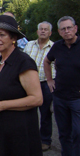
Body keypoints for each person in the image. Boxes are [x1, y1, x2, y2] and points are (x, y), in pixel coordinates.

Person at [0, 15, 43, 156]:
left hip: (18, 135)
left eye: (2, 35)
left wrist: (2, 105)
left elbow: (37, 99)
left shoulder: (23, 62)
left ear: (13, 38)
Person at [44, 16, 80, 156]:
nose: (67, 31)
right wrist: (49, 80)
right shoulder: (57, 46)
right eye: (63, 29)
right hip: (60, 96)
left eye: (69, 28)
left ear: (75, 28)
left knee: (78, 131)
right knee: (64, 132)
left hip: (77, 97)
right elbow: (47, 61)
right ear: (59, 32)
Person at [24, 21, 56, 151]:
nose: (43, 31)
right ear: (37, 31)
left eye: (46, 29)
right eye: (41, 29)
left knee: (45, 113)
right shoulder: (29, 45)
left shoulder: (54, 47)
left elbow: (57, 67)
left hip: (45, 83)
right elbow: (23, 62)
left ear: (50, 33)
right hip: (29, 83)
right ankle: (28, 138)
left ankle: (45, 140)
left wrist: (52, 81)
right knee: (27, 112)